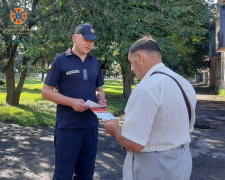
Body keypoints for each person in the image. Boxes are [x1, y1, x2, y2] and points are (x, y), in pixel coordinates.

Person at [104, 36, 197, 180]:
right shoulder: (184, 84)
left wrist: (115, 129)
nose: (132, 68)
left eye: (131, 62)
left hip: (153, 167)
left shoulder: (146, 88)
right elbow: (187, 131)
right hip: (181, 163)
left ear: (140, 57)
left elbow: (135, 144)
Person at [42, 23, 107, 180]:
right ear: (75, 38)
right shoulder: (60, 60)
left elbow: (98, 88)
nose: (90, 44)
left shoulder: (94, 62)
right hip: (68, 127)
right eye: (86, 40)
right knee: (63, 174)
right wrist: (71, 102)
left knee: (86, 174)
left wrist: (101, 99)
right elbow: (46, 91)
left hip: (91, 126)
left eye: (92, 41)